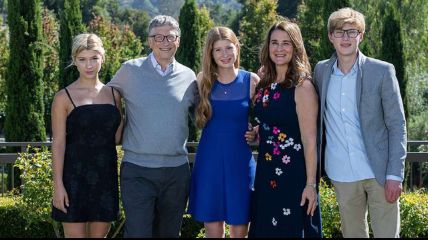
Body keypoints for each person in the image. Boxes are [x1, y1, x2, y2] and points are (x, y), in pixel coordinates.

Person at [313, 8, 406, 238]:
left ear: (361, 36)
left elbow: (397, 124)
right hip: (341, 172)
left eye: (352, 32)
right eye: (339, 32)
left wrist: (395, 174)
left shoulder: (382, 71)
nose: (345, 38)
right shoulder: (321, 71)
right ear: (330, 37)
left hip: (380, 172)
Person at [107, 15, 199, 238]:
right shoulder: (129, 70)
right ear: (149, 41)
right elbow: (104, 97)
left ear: (178, 40)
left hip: (176, 172)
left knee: (169, 234)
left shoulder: (189, 76)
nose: (164, 41)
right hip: (137, 170)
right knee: (138, 234)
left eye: (170, 36)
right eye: (158, 36)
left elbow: (203, 116)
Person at [248, 20, 322, 238]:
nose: (279, 49)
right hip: (266, 172)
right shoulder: (265, 83)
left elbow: (310, 140)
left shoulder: (302, 86)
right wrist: (257, 131)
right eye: (274, 43)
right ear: (268, 46)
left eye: (286, 43)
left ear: (296, 47)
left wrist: (310, 185)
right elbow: (270, 121)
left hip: (293, 177)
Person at [188, 26, 259, 238]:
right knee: (213, 226)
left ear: (237, 48)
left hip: (240, 160)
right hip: (210, 159)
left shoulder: (251, 80)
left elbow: (268, 118)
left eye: (229, 48)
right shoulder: (203, 80)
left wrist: (256, 131)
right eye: (218, 50)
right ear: (210, 53)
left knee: (240, 225)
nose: (225, 54)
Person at [51, 33, 123, 238]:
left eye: (94, 58)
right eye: (82, 59)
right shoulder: (63, 97)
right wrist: (58, 186)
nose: (89, 65)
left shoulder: (114, 95)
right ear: (74, 61)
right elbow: (58, 144)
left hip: (105, 178)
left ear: (103, 58)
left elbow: (116, 138)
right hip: (73, 179)